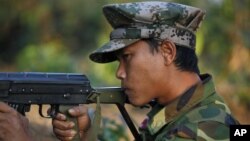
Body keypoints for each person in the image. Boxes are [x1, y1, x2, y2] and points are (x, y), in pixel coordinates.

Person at [0, 1, 239, 141]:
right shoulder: (179, 115)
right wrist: (87, 133)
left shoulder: (200, 130)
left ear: (167, 51)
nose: (119, 73)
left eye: (127, 58)